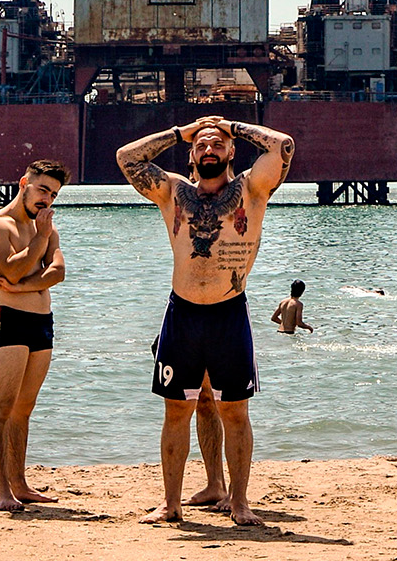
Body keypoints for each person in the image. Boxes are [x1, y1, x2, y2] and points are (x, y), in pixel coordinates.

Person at [116, 114, 295, 526]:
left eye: (217, 145)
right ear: (192, 154)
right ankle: (171, 504)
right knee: (177, 410)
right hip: (183, 315)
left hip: (229, 313)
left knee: (235, 412)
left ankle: (240, 502)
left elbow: (282, 145)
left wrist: (232, 126)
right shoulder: (174, 192)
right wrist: (181, 133)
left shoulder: (251, 189)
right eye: (201, 145)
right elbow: (127, 158)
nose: (209, 149)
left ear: (231, 151)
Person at [0, 158, 69, 512]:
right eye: (43, 189)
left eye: (54, 194)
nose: (47, 200)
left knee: (24, 409)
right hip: (11, 321)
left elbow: (57, 272)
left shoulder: (44, 228)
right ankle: (2, 491)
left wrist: (19, 285)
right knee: (0, 407)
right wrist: (40, 242)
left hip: (43, 323)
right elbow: (11, 269)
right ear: (23, 183)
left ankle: (20, 484)